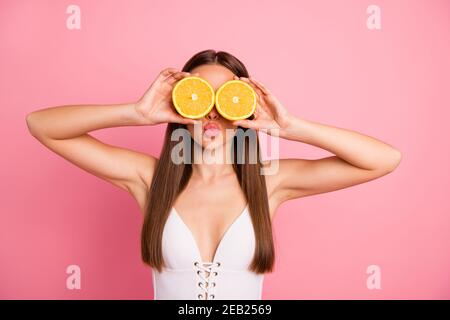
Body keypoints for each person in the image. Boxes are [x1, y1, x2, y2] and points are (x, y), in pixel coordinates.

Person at [26, 49, 402, 300]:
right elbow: (42, 125)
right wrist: (135, 113)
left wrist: (289, 126)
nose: (211, 114)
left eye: (227, 99)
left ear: (245, 109)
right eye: (199, 96)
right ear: (179, 105)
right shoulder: (149, 178)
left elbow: (383, 159)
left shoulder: (270, 181)